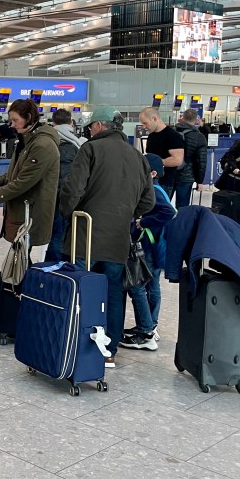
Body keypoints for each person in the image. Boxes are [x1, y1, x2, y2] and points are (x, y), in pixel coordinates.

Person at [60, 105, 155, 369]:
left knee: (79, 290)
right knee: (113, 293)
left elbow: (72, 189)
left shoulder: (90, 149)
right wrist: (126, 214)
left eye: (91, 127)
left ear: (100, 126)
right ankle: (108, 349)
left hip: (84, 236)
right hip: (117, 240)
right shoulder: (138, 156)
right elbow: (149, 201)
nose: (89, 131)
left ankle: (75, 343)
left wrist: (68, 213)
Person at [0, 99, 60, 261]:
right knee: (20, 259)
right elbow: (12, 175)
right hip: (22, 211)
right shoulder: (26, 141)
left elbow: (23, 182)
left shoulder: (42, 145)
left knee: (20, 261)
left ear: (29, 117)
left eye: (16, 120)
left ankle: (19, 286)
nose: (12, 125)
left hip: (31, 212)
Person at [120, 154, 176, 351]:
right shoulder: (156, 189)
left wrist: (142, 222)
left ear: (153, 173)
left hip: (149, 248)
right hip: (152, 246)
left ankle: (147, 331)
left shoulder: (153, 191)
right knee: (149, 286)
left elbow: (168, 212)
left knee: (138, 286)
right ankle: (149, 326)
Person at [46, 109, 85, 262]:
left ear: (53, 123)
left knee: (56, 234)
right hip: (71, 196)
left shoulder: (49, 142)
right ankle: (63, 265)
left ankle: (53, 266)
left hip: (52, 196)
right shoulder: (79, 144)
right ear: (71, 122)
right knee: (66, 234)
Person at [138, 107, 186, 206]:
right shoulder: (151, 136)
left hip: (164, 182)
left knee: (160, 210)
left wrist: (157, 162)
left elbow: (177, 160)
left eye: (145, 123)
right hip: (150, 180)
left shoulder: (173, 136)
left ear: (155, 119)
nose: (144, 126)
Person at [174, 109, 208, 205]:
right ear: (196, 120)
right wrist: (200, 181)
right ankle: (181, 220)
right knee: (182, 206)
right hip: (187, 176)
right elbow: (201, 161)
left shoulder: (171, 132)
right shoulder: (199, 137)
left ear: (182, 117)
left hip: (169, 173)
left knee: (164, 205)